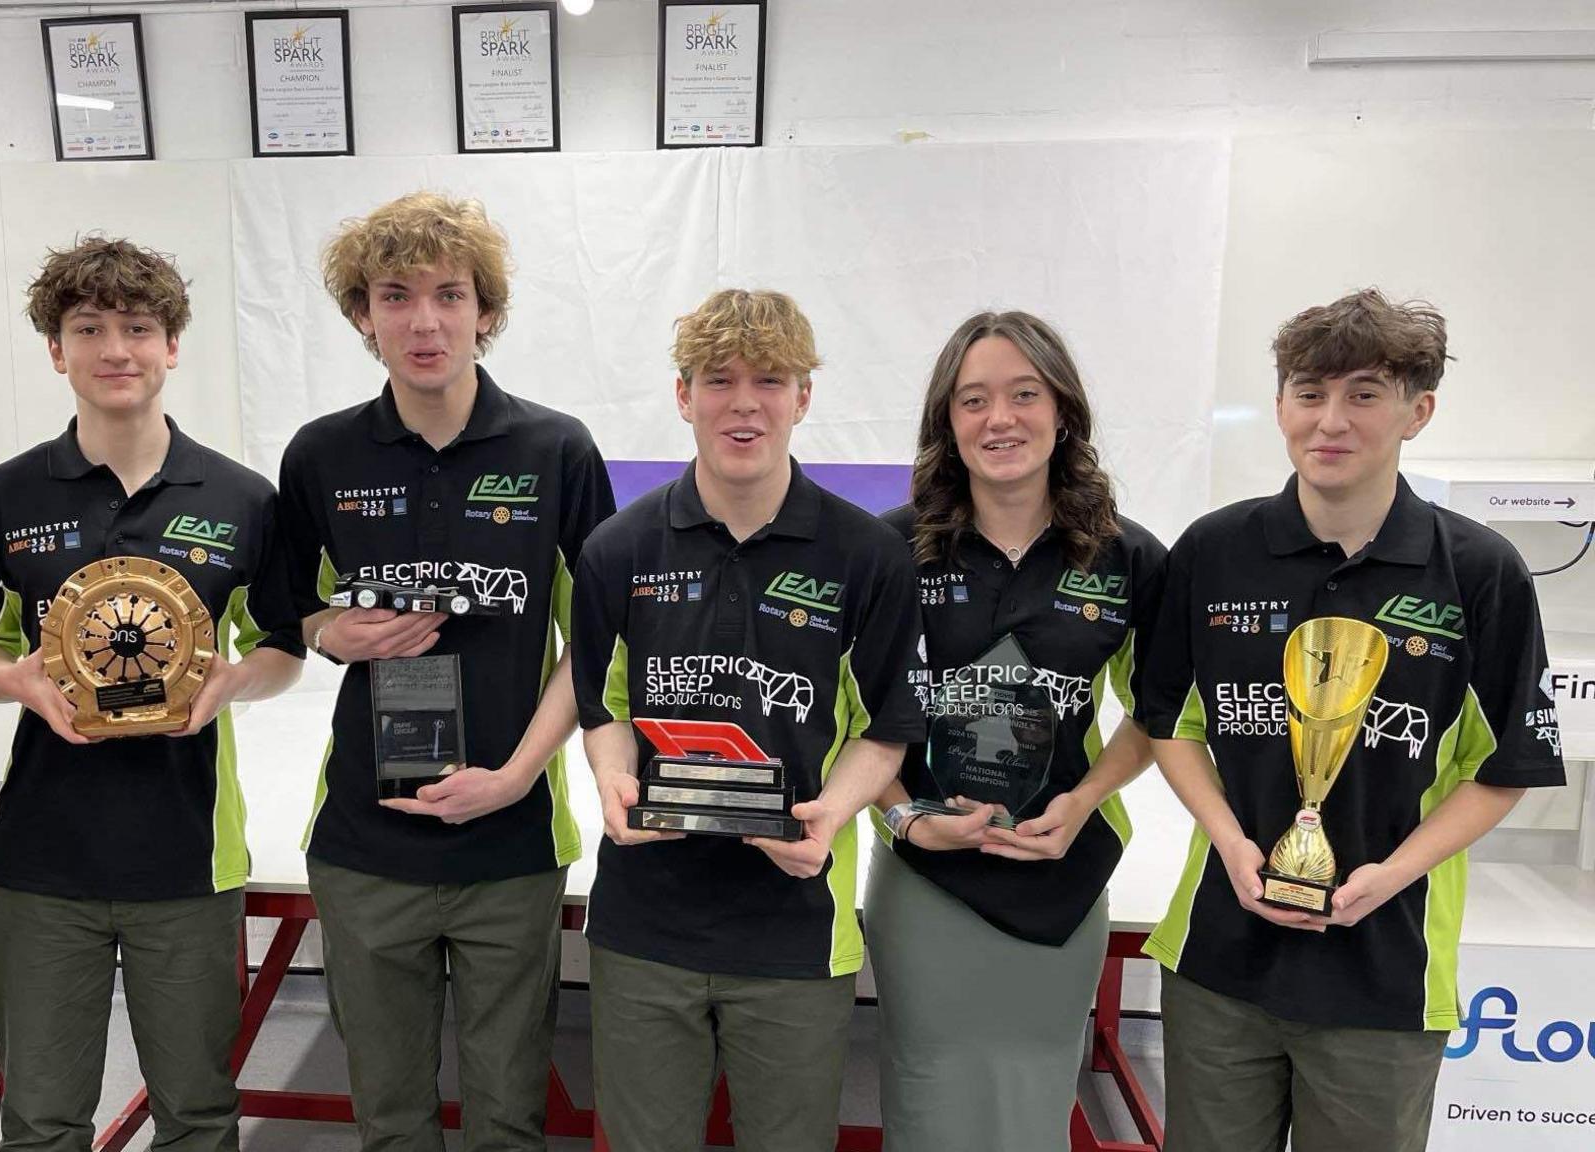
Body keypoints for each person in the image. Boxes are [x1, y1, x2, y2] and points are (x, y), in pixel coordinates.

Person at [1137, 289, 1566, 1152]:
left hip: (1385, 971)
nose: (1330, 421)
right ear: (1281, 405)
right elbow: (1168, 723)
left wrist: (1391, 876)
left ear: (1419, 410)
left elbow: (1507, 769)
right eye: (1308, 391)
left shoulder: (1480, 572)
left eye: (1364, 393)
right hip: (1222, 958)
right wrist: (1229, 841)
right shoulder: (1214, 551)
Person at [0, 237, 305, 1152]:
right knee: (40, 1119)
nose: (116, 349)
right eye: (89, 328)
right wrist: (21, 680)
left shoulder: (241, 497)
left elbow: (281, 647)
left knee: (195, 1113)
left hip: (186, 857)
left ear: (172, 345)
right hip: (41, 859)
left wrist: (231, 685)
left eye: (139, 327)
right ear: (55, 350)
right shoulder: (4, 495)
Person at [275, 191, 614, 1152]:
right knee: (390, 1115)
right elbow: (286, 611)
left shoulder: (557, 449)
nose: (424, 321)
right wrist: (330, 633)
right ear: (361, 316)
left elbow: (596, 641)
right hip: (364, 843)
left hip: (508, 840)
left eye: (450, 295)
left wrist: (515, 777)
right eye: (395, 296)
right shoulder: (321, 454)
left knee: (509, 1115)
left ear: (486, 313)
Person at [569, 288, 922, 1152]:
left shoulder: (868, 554)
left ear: (804, 397)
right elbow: (600, 705)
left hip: (795, 924)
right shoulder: (617, 549)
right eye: (718, 379)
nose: (744, 402)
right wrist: (614, 781)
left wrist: (831, 817)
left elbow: (886, 729)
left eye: (771, 379)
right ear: (683, 396)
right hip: (645, 923)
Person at [866, 310, 1165, 1151]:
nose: (1000, 419)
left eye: (1024, 394)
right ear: (947, 423)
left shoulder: (1128, 557)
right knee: (926, 1101)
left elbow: (1160, 716)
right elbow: (853, 716)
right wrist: (905, 814)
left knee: (1033, 1105)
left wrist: (1086, 799)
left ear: (1062, 410)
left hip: (1060, 870)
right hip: (928, 876)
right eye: (974, 400)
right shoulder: (891, 549)